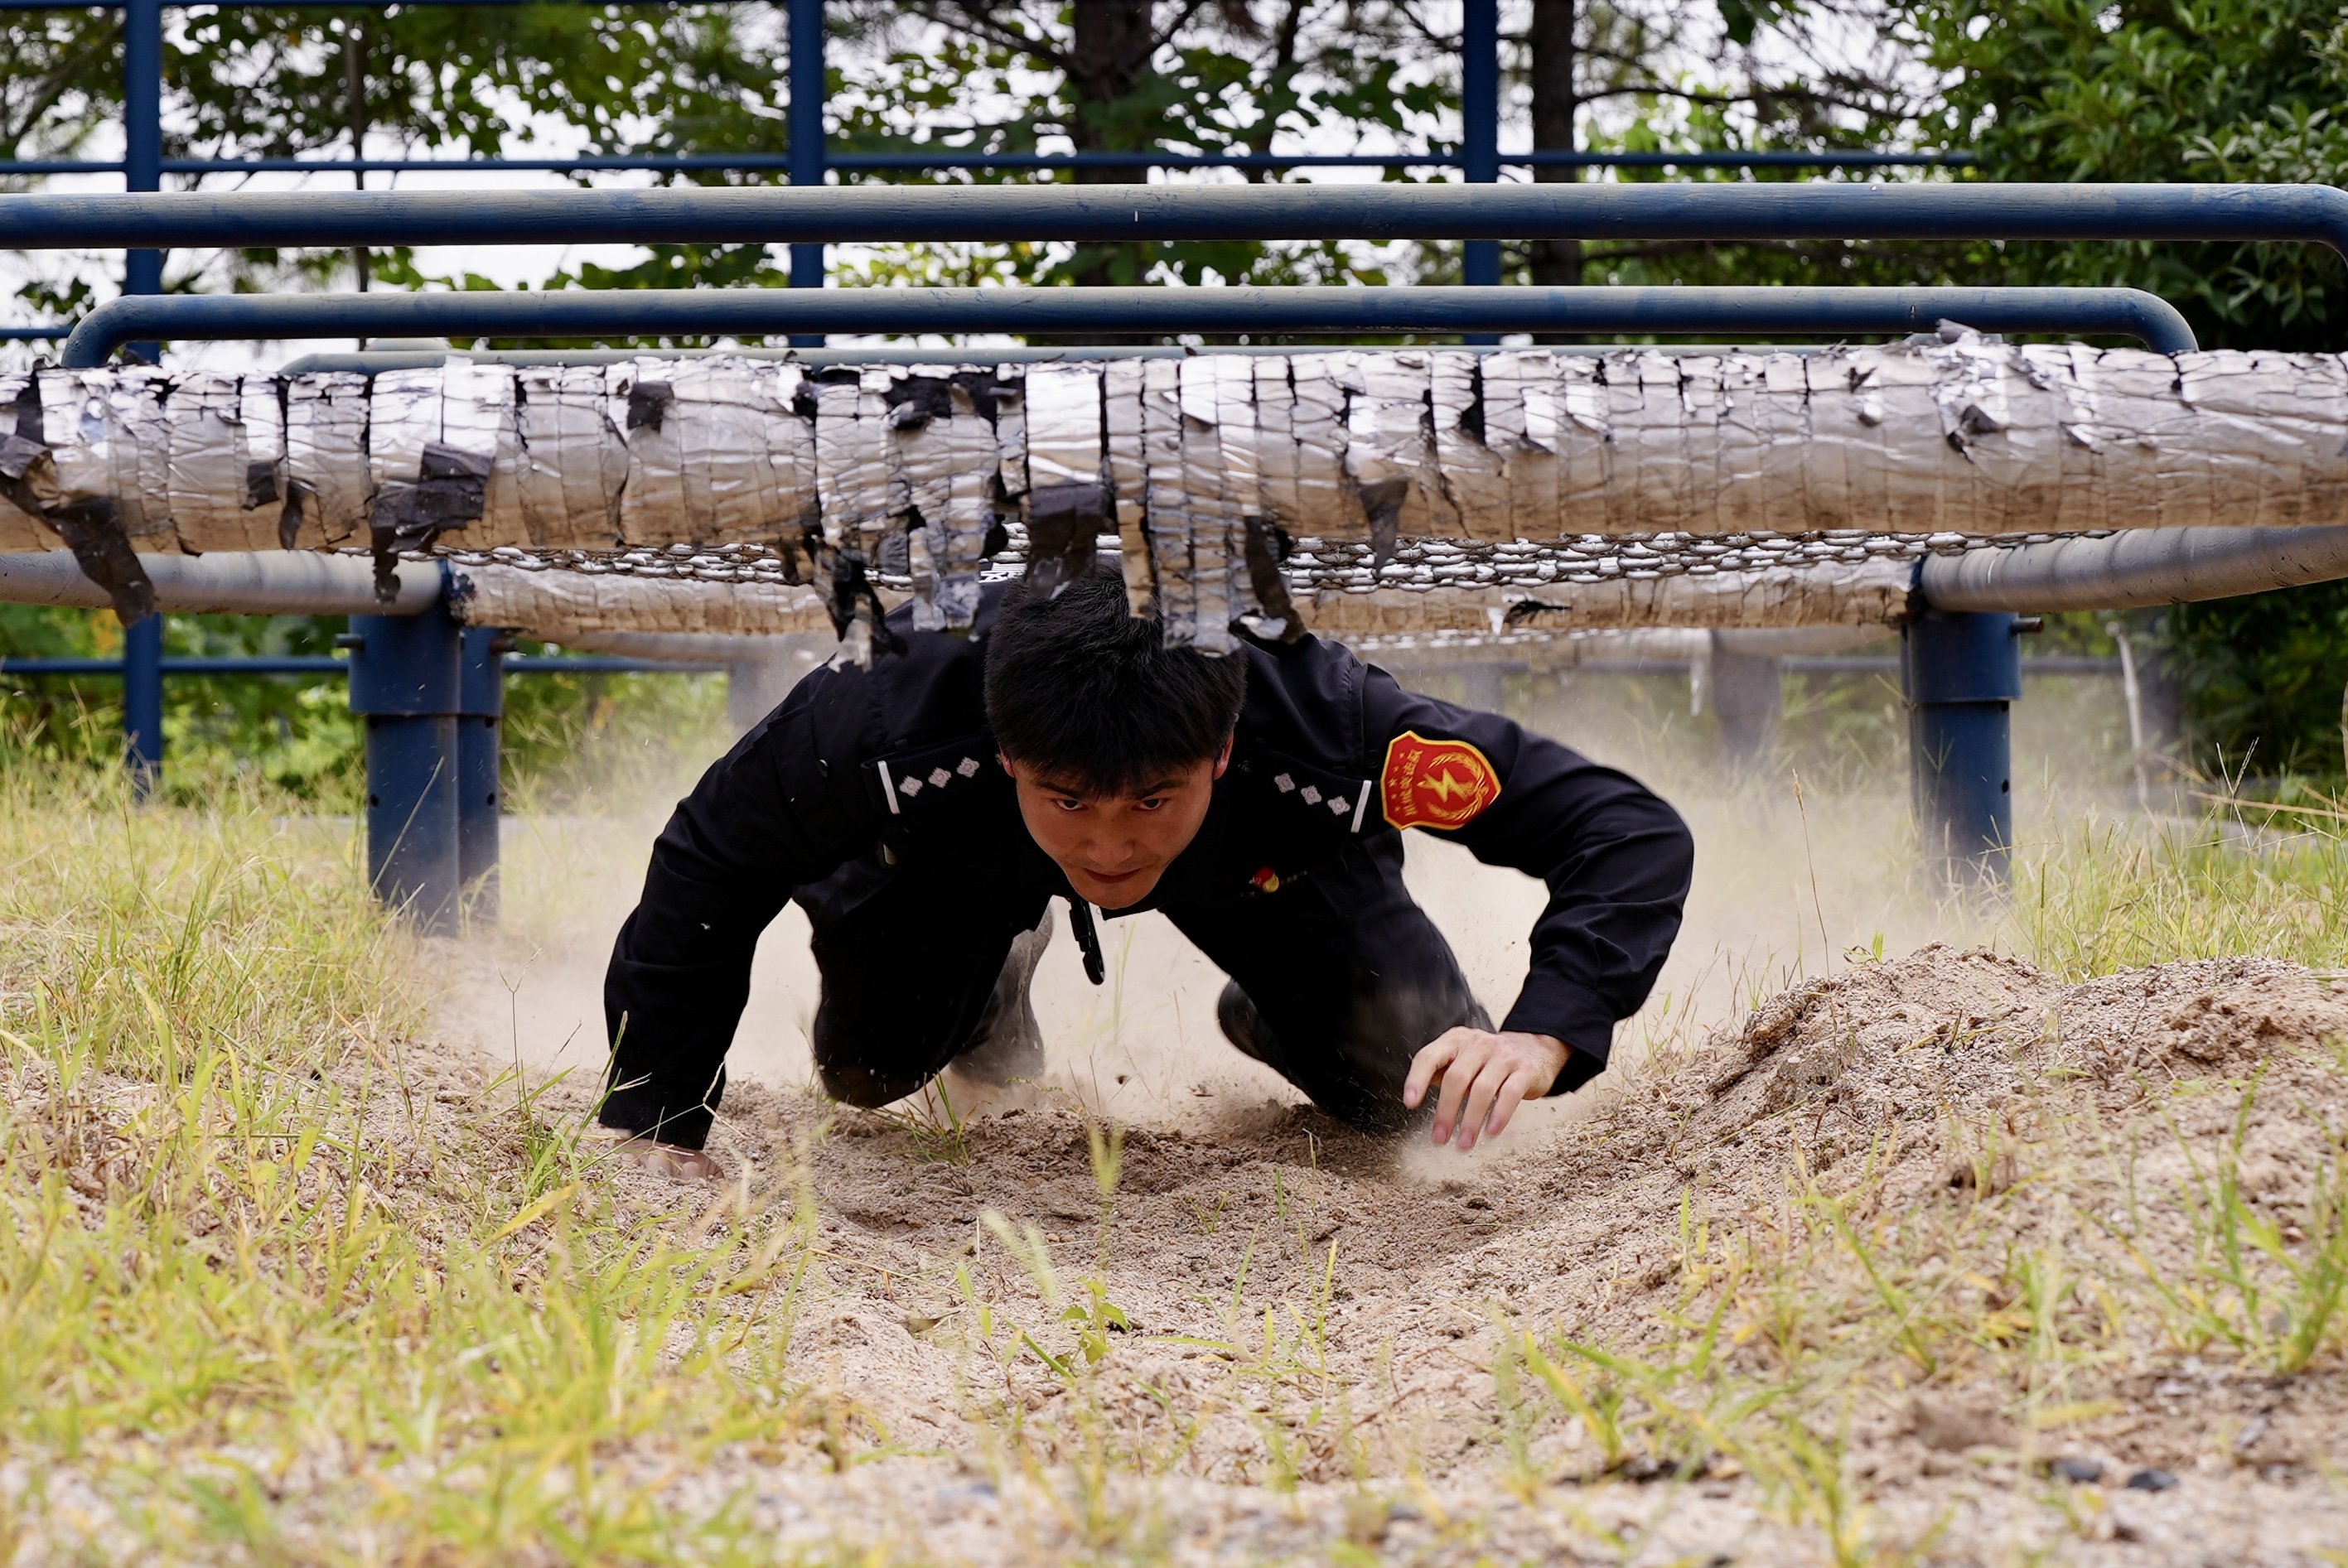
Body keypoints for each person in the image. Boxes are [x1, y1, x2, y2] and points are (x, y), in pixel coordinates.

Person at [599, 567, 1693, 1179]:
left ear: (1219, 750)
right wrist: (655, 1119)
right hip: (956, 870)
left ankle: (1275, 1010)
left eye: (1150, 800)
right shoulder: (877, 718)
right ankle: (990, 983)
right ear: (1006, 747)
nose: (1110, 847)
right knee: (869, 1071)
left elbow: (1620, 827)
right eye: (1069, 800)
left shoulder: (1333, 724)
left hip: (1268, 867)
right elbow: (710, 867)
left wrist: (1550, 1021)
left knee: (1413, 1096)